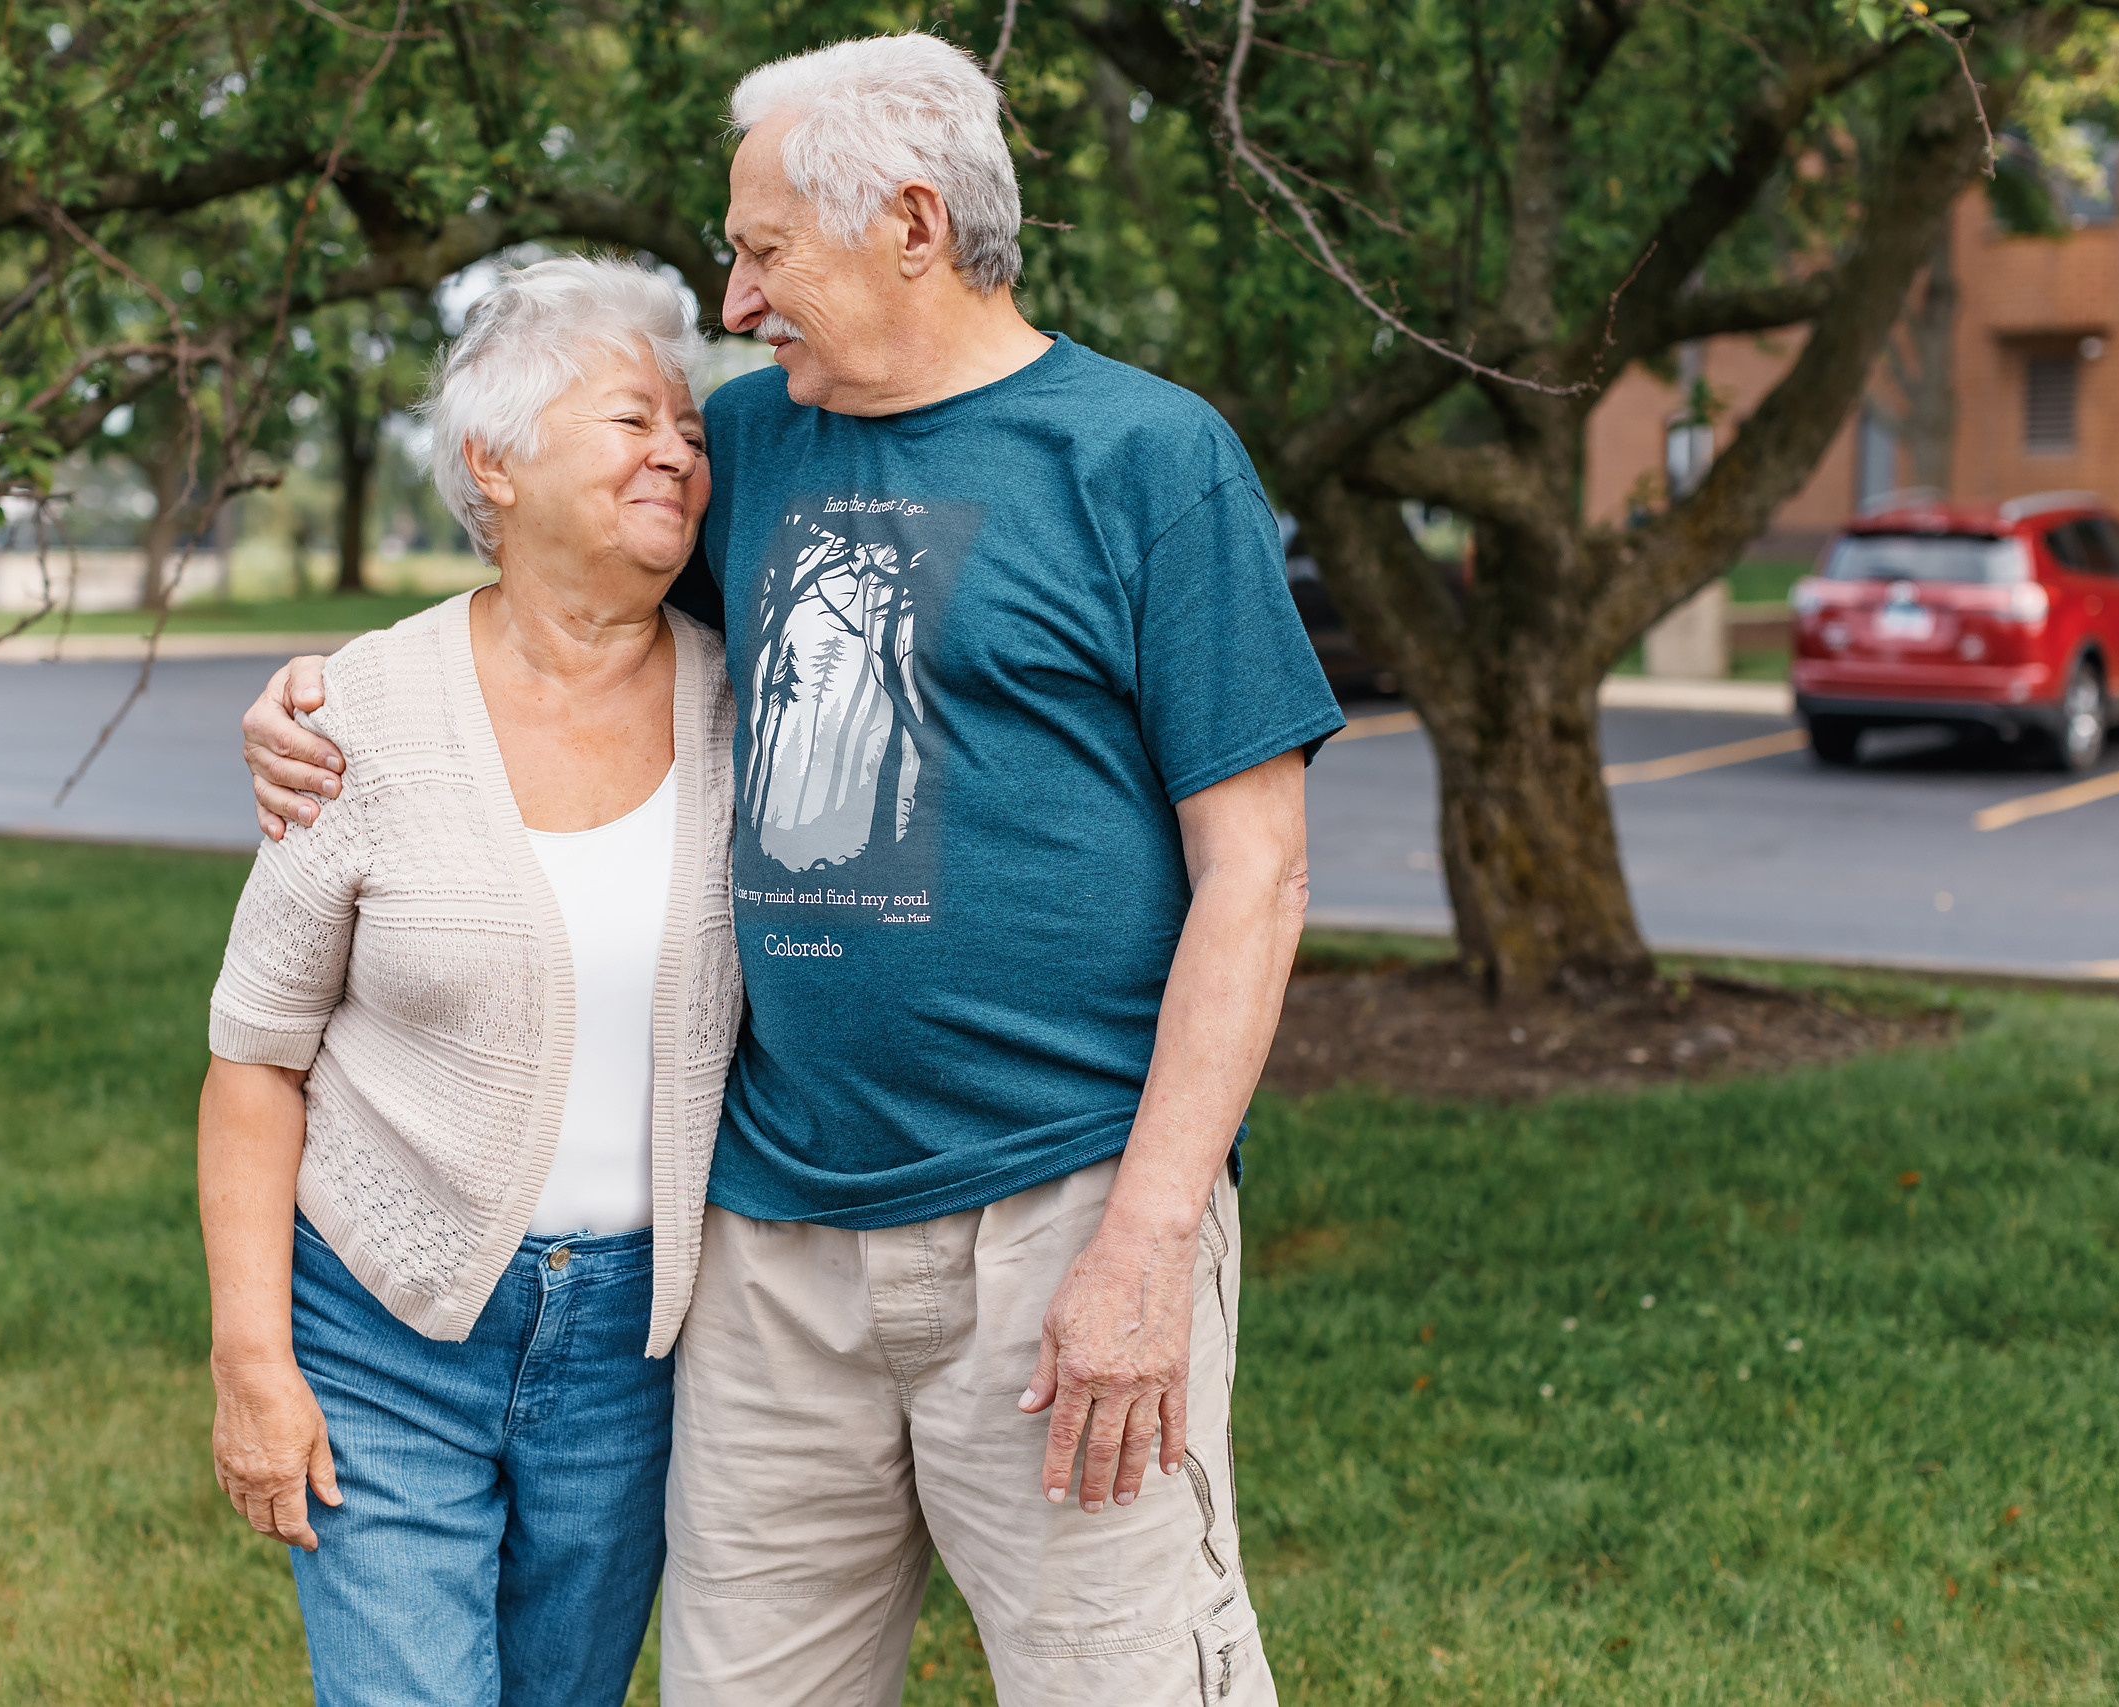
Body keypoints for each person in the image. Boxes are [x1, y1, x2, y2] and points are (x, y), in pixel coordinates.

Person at [244, 34, 1342, 1706]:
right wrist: (318, 697)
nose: (738, 298)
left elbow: (1256, 878)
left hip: (1061, 1216)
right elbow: (548, 609)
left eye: (762, 251)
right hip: (768, 1240)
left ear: (911, 224)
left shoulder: (1144, 459)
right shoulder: (746, 451)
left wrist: (1147, 1242)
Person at [197, 257, 742, 1707]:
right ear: (491, 463)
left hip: (640, 1346)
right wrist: (253, 1359)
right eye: (633, 419)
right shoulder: (357, 712)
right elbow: (254, 1059)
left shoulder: (756, 705)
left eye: (690, 427)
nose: (679, 451)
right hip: (380, 1325)